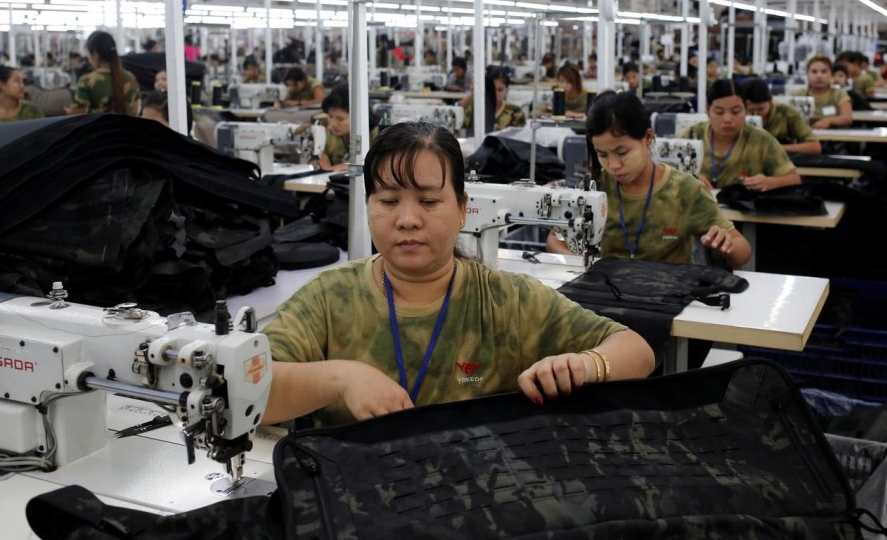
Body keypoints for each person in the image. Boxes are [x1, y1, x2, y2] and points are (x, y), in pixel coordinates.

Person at [262, 121, 655, 426]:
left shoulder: (507, 300)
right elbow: (247, 387)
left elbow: (637, 352)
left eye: (429, 201)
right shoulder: (330, 299)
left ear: (464, 207)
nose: (408, 220)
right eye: (388, 200)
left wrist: (586, 365)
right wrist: (339, 378)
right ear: (367, 206)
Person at [547, 91, 750, 269]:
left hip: (668, 300)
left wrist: (727, 244)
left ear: (648, 138)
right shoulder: (595, 187)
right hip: (608, 297)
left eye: (622, 152)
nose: (613, 164)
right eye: (603, 155)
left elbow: (743, 253)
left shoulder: (685, 190)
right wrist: (580, 263)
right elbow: (557, 239)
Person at [678, 79, 801, 191]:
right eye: (719, 112)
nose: (727, 119)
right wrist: (689, 179)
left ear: (746, 109)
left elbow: (794, 178)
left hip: (744, 215)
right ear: (707, 110)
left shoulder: (761, 140)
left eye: (736, 112)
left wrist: (771, 182)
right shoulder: (690, 136)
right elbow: (663, 175)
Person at [66, 30, 140, 115]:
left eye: (89, 54)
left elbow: (78, 115)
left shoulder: (87, 81)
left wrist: (70, 112)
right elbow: (135, 110)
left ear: (95, 54)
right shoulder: (130, 77)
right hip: (128, 128)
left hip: (97, 128)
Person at [742, 79, 821, 154]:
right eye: (750, 111)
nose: (756, 114)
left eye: (760, 109)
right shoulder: (738, 115)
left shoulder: (787, 113)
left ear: (771, 102)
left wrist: (773, 148)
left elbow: (814, 147)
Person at [317, 83, 379, 171]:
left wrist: (355, 167)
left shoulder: (378, 134)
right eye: (330, 117)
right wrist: (319, 159)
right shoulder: (329, 135)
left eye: (340, 119)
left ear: (359, 116)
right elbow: (320, 157)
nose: (333, 124)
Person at [459, 68, 526, 131]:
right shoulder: (474, 109)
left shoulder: (515, 112)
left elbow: (519, 138)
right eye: (491, 89)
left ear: (506, 90)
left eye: (500, 90)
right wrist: (474, 93)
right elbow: (457, 120)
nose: (495, 93)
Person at [796, 54, 852, 130]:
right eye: (814, 72)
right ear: (807, 74)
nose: (819, 76)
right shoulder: (799, 94)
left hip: (833, 137)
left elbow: (847, 118)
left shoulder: (839, 93)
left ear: (831, 74)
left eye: (824, 71)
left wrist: (828, 121)